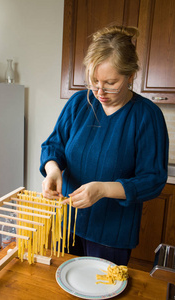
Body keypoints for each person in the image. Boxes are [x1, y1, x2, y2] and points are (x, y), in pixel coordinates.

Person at [40, 25, 169, 265]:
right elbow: (54, 145)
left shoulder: (146, 115)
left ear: (131, 76)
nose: (99, 91)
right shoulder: (79, 103)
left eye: (110, 83)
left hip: (112, 236)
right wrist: (53, 171)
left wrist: (103, 190)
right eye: (94, 81)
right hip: (66, 224)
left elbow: (153, 179)